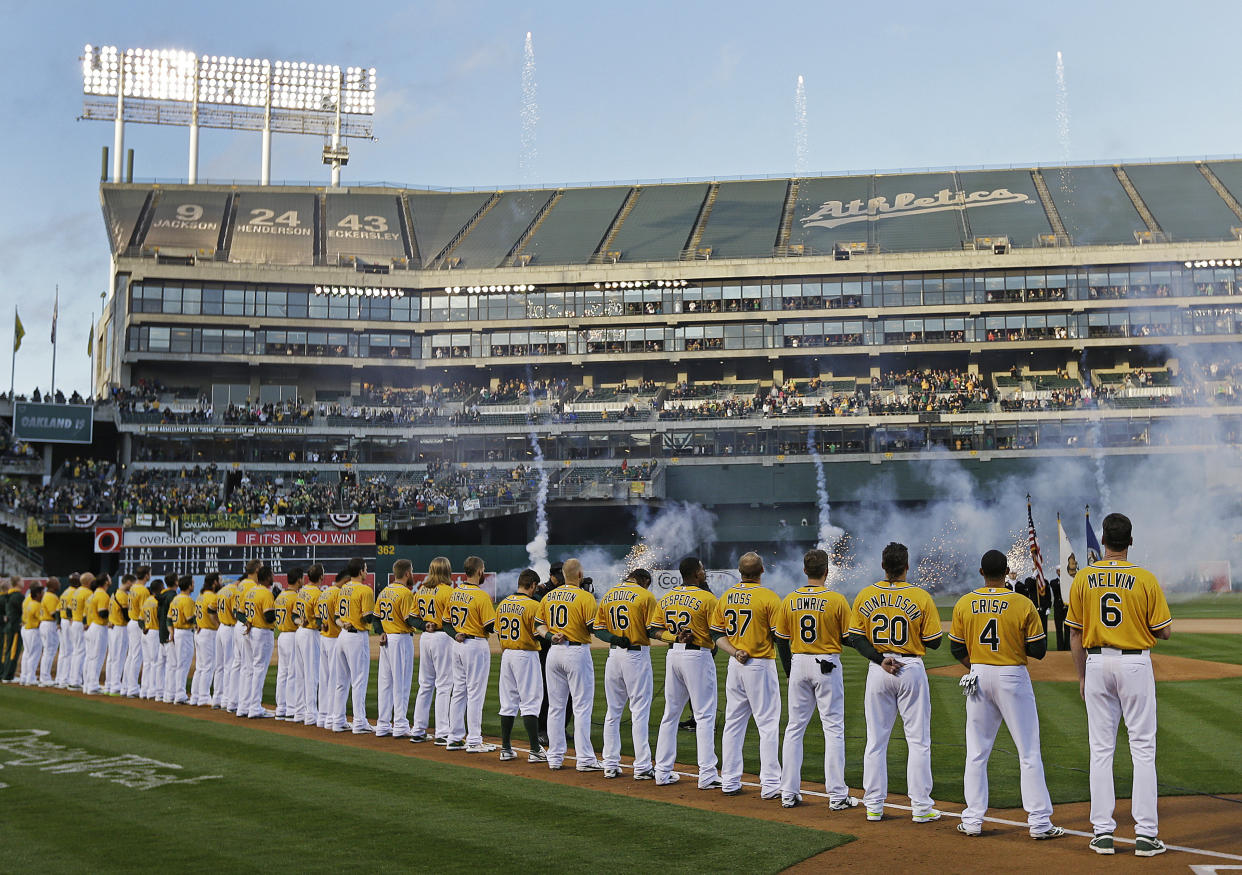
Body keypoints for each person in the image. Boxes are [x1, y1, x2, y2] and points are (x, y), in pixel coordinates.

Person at [1066, 513, 1172, 858]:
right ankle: (1146, 835)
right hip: (1135, 663)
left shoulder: (1083, 577)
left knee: (1101, 750)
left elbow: (1074, 632)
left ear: (1104, 540)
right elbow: (1164, 630)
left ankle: (1102, 833)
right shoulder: (1145, 578)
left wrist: (1082, 676)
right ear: (1130, 541)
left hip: (1097, 663)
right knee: (1142, 748)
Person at [949, 550, 1063, 840]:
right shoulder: (1021, 603)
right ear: (1007, 571)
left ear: (981, 572)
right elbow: (1038, 651)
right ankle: (1039, 823)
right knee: (1028, 751)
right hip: (1012, 675)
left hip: (977, 675)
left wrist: (976, 667)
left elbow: (956, 649)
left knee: (976, 752)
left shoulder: (965, 603)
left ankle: (973, 820)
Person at [847, 542, 943, 823]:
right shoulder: (920, 596)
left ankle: (874, 806)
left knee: (876, 740)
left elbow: (855, 637)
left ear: (883, 565)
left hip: (879, 669)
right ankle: (922, 808)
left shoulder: (866, 594)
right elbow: (935, 641)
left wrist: (879, 659)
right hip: (910, 667)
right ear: (906, 566)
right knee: (918, 741)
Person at [773, 548, 857, 810]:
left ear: (804, 570)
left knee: (794, 728)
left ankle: (788, 792)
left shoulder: (789, 599)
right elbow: (849, 636)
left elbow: (781, 639)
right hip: (826, 664)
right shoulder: (836, 599)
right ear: (826, 571)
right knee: (832, 728)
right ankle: (837, 795)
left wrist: (788, 671)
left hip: (798, 663)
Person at [710, 552, 783, 799]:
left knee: (734, 723)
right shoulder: (769, 597)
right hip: (760, 665)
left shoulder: (727, 596)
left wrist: (734, 651)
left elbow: (715, 634)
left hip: (736, 665)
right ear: (762, 570)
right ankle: (771, 784)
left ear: (740, 572)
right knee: (768, 724)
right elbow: (780, 636)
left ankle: (729, 780)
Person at [650, 556, 721, 788]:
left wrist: (675, 637)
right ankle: (708, 774)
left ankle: (661, 772)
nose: (704, 572)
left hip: (674, 655)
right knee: (704, 715)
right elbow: (717, 632)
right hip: (697, 656)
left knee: (670, 714)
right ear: (695, 573)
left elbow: (654, 630)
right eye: (702, 569)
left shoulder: (668, 596)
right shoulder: (707, 598)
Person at [535, 558, 603, 772]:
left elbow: (538, 625)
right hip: (576, 651)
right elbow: (593, 628)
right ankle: (585, 759)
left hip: (555, 651)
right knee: (582, 707)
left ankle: (554, 757)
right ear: (580, 575)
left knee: (556, 706)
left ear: (563, 575)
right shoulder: (585, 596)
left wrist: (550, 636)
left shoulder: (550, 595)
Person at [593, 567, 660, 780]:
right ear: (645, 580)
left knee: (613, 711)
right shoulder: (645, 595)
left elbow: (598, 629)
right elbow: (652, 629)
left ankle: (610, 764)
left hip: (614, 657)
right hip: (635, 656)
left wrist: (614, 638)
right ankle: (642, 767)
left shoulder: (609, 594)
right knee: (639, 711)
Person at [443, 555, 496, 752]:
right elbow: (490, 626)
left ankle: (455, 737)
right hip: (475, 645)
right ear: (479, 571)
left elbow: (445, 623)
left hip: (457, 645)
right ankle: (474, 740)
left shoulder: (455, 593)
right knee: (475, 693)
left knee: (458, 691)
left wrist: (455, 634)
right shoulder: (481, 595)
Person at [495, 568, 547, 762]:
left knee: (508, 703)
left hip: (507, 654)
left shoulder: (503, 603)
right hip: (526, 654)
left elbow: (499, 633)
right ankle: (535, 749)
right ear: (533, 584)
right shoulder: (533, 605)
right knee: (531, 702)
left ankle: (506, 748)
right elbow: (537, 633)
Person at [408, 557, 455, 744]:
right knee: (444, 684)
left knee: (426, 684)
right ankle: (443, 732)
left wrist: (424, 625)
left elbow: (412, 618)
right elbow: (453, 621)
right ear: (447, 571)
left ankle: (418, 729)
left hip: (426, 639)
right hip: (443, 638)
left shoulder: (421, 590)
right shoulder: (448, 592)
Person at [374, 560, 416, 738]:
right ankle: (400, 724)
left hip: (387, 641)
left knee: (386, 683)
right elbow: (409, 620)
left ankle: (383, 724)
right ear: (407, 573)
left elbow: (376, 618)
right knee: (401, 683)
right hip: (400, 640)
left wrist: (381, 631)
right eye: (411, 571)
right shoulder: (405, 593)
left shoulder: (385, 591)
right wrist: (426, 623)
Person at [332, 559, 374, 733]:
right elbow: (367, 618)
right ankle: (359, 722)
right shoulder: (365, 590)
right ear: (360, 571)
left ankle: (339, 720)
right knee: (359, 680)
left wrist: (344, 624)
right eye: (365, 569)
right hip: (357, 637)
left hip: (342, 636)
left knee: (341, 681)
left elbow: (336, 617)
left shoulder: (343, 589)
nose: (366, 571)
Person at [240, 565, 278, 719]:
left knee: (249, 669)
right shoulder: (266, 594)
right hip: (261, 632)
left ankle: (244, 706)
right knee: (259, 669)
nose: (273, 576)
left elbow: (239, 613)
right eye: (272, 574)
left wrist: (248, 622)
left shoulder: (250, 591)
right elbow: (269, 617)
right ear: (267, 577)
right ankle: (255, 707)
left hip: (250, 632)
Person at [316, 570, 347, 731]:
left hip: (323, 637)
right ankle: (332, 717)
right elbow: (338, 617)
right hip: (334, 638)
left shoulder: (324, 592)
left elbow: (318, 618)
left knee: (325, 678)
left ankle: (323, 716)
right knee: (336, 679)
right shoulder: (338, 593)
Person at [231, 560, 262, 717]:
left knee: (243, 665)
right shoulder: (251, 586)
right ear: (257, 569)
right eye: (261, 566)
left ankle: (241, 704)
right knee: (249, 667)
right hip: (247, 624)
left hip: (239, 624)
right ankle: (248, 705)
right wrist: (247, 622)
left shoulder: (242, 584)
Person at [295, 564, 323, 727]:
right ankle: (311, 713)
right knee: (311, 674)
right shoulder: (318, 594)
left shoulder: (302, 591)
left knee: (301, 674)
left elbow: (295, 615)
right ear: (321, 577)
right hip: (311, 633)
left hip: (300, 631)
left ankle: (299, 711)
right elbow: (319, 620)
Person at [273, 568, 304, 721]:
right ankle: (291, 708)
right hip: (292, 636)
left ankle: (281, 707)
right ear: (298, 579)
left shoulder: (280, 596)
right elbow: (297, 618)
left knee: (282, 673)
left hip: (281, 636)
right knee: (293, 672)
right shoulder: (296, 597)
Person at [190, 573, 220, 707]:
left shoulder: (200, 596)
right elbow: (212, 614)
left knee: (200, 667)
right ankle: (204, 696)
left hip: (199, 632)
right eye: (219, 580)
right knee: (208, 666)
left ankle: (195, 696)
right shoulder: (212, 597)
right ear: (214, 582)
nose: (221, 582)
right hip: (208, 632)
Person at [165, 575, 196, 704]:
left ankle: (172, 693)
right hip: (184, 633)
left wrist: (171, 632)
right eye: (192, 583)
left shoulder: (176, 599)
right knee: (183, 664)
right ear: (189, 586)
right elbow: (190, 618)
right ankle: (180, 694)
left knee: (177, 664)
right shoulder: (187, 600)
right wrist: (198, 623)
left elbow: (168, 619)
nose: (193, 585)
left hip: (177, 632)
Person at [122, 566, 151, 697]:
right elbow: (145, 611)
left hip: (131, 622)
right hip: (138, 623)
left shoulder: (133, 587)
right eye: (149, 573)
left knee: (131, 655)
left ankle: (126, 686)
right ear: (146, 575)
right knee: (137, 655)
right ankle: (132, 688)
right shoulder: (143, 590)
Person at [212, 574, 240, 710]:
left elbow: (211, 610)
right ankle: (227, 699)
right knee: (230, 664)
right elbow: (236, 612)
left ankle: (217, 698)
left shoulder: (221, 591)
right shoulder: (235, 591)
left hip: (221, 628)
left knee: (219, 665)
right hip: (230, 628)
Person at [81, 574, 111, 694]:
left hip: (91, 627)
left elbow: (84, 614)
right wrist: (113, 613)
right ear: (106, 582)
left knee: (89, 657)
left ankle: (87, 684)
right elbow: (102, 613)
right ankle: (93, 685)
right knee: (97, 657)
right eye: (108, 578)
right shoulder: (102, 594)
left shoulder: (92, 594)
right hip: (98, 627)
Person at [105, 575, 134, 695]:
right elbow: (126, 616)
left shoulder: (114, 593)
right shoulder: (123, 595)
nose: (133, 586)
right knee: (119, 657)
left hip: (112, 628)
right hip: (120, 628)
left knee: (112, 657)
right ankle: (115, 685)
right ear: (127, 582)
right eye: (132, 583)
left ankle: (109, 684)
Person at [140, 579, 165, 699]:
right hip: (154, 632)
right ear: (160, 588)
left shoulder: (147, 601)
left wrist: (143, 627)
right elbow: (160, 618)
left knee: (147, 662)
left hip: (146, 632)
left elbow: (140, 619)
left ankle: (144, 690)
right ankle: (152, 691)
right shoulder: (157, 601)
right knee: (155, 662)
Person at [67, 573, 93, 689]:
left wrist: (71, 618)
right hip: (81, 623)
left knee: (76, 651)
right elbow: (88, 610)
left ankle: (73, 679)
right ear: (88, 582)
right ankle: (76, 681)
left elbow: (68, 610)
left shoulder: (76, 592)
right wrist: (85, 623)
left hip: (75, 623)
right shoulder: (88, 593)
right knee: (81, 652)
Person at [37, 578, 61, 687]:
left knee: (48, 651)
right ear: (53, 585)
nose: (59, 584)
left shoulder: (47, 595)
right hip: (49, 624)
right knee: (49, 651)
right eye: (57, 582)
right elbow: (53, 613)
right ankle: (45, 677)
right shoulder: (51, 596)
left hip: (45, 624)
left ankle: (44, 676)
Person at [19, 583, 44, 686]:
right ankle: (30, 678)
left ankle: (24, 677)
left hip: (26, 628)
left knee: (27, 654)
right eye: (42, 592)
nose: (43, 594)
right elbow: (42, 619)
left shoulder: (27, 601)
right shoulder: (36, 604)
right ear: (37, 593)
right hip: (33, 630)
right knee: (34, 655)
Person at [56, 574, 78, 688]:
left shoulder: (65, 592)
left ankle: (60, 678)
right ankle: (66, 679)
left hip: (63, 621)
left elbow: (57, 609)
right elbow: (70, 610)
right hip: (69, 621)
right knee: (71, 651)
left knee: (64, 651)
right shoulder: (75, 592)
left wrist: (58, 622)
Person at [2, 577, 24, 682]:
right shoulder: (18, 596)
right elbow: (23, 611)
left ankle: (5, 673)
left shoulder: (8, 595)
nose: (23, 582)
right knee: (13, 652)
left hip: (8, 626)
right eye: (21, 580)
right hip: (15, 627)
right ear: (17, 583)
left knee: (7, 651)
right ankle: (8, 676)